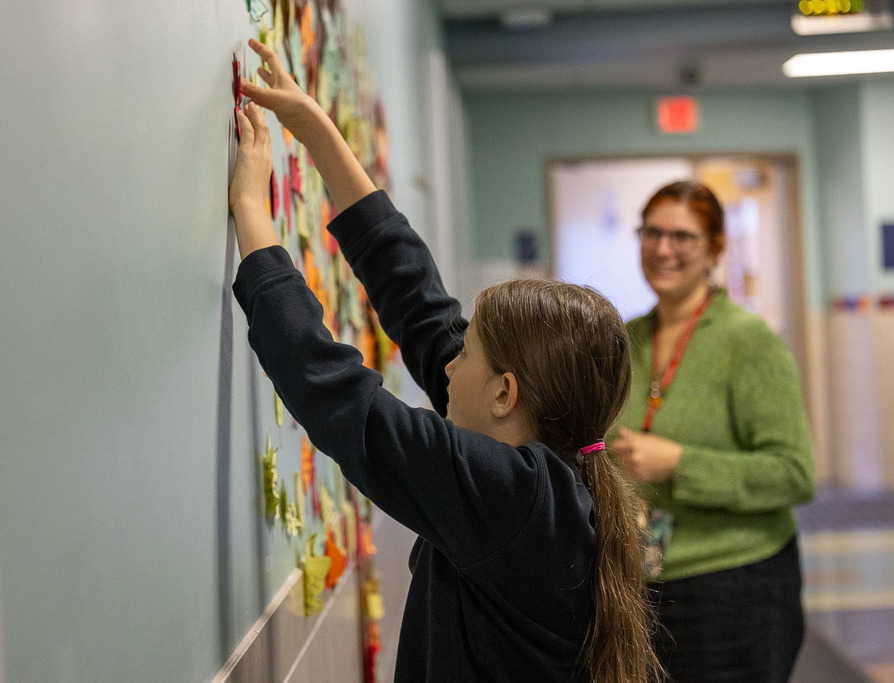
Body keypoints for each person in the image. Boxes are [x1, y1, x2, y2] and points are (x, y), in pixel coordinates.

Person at [228, 38, 662, 683]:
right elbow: (420, 304)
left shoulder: (513, 499)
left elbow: (340, 394)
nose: (449, 365)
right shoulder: (545, 482)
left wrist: (252, 213)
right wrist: (316, 129)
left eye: (469, 355)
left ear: (506, 393)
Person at [608, 180, 816, 682]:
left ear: (715, 250)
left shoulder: (748, 342)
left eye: (682, 237)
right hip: (644, 586)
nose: (662, 249)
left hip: (736, 587)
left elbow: (794, 474)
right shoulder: (625, 339)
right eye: (651, 232)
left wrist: (680, 463)